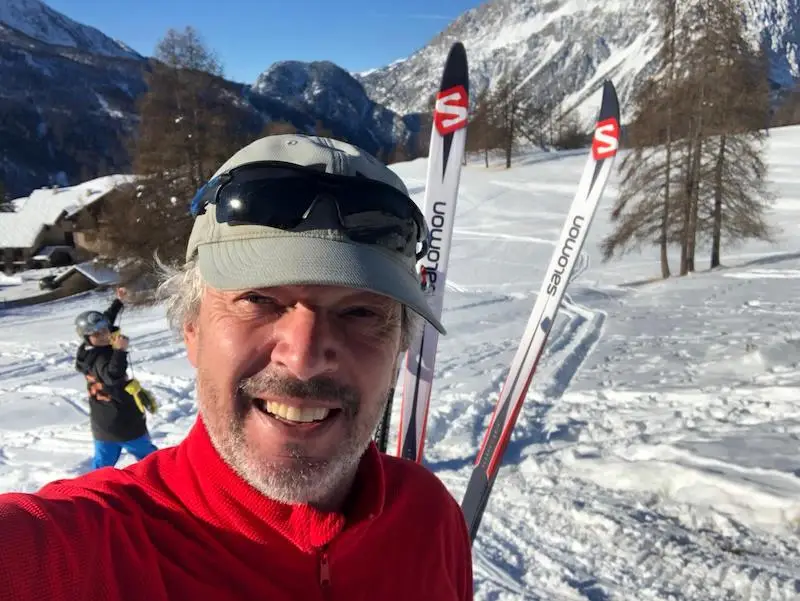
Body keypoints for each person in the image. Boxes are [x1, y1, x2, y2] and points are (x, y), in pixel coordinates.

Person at [0, 134, 473, 600]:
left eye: (360, 312)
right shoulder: (81, 551)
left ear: (398, 352)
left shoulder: (430, 517)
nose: (304, 358)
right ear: (192, 328)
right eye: (259, 299)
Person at [73, 286, 158, 469]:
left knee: (102, 467)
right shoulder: (101, 357)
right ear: (88, 337)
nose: (104, 335)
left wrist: (118, 302)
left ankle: (96, 488)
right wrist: (119, 351)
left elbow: (105, 321)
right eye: (97, 333)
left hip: (102, 425)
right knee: (151, 459)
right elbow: (112, 375)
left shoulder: (87, 351)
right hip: (124, 423)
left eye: (104, 330)